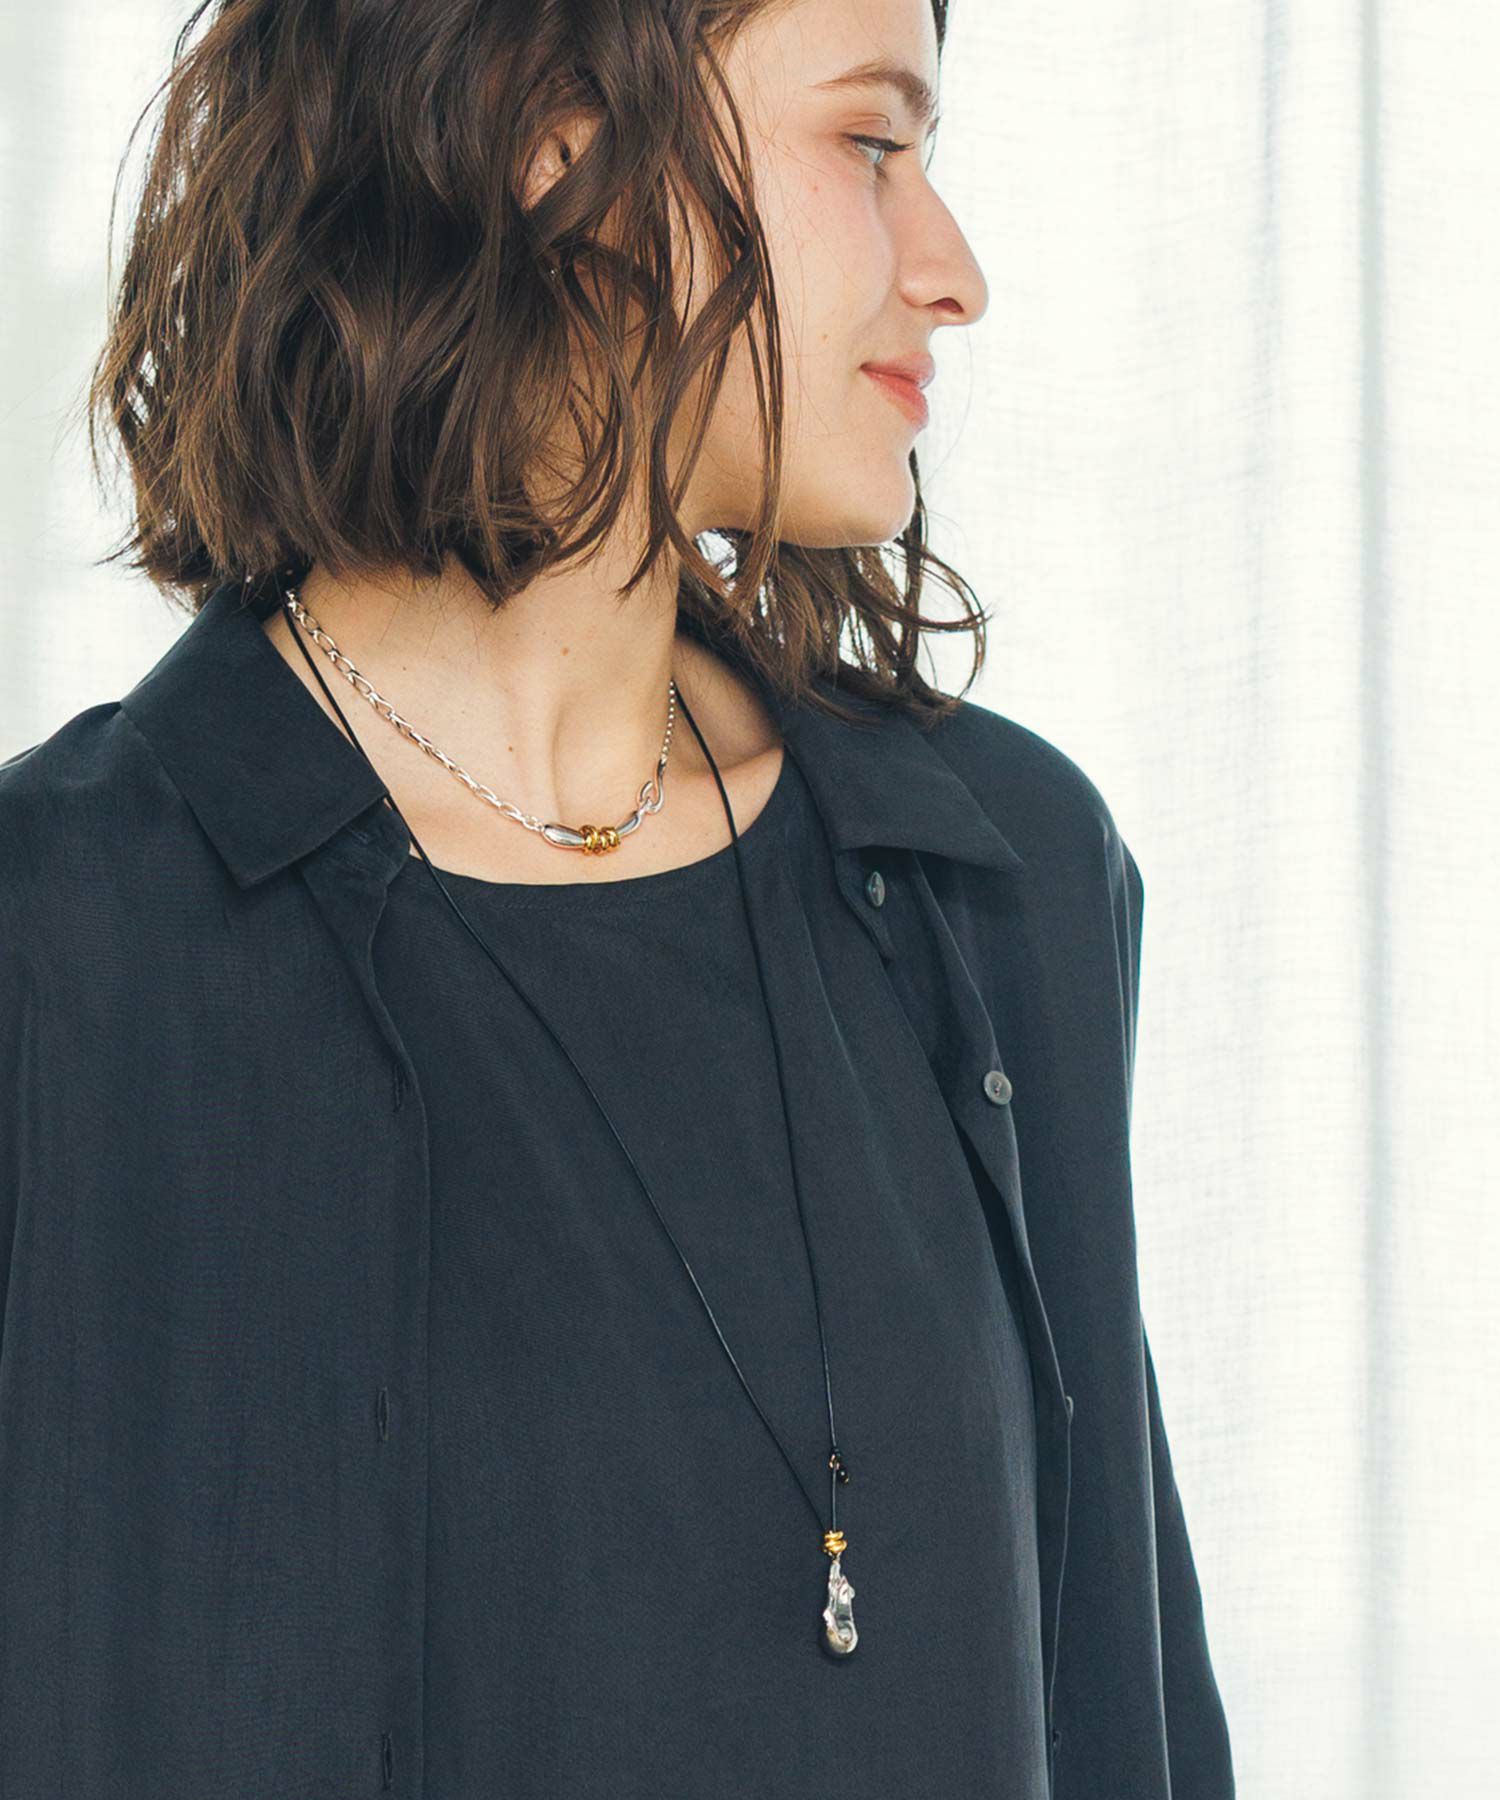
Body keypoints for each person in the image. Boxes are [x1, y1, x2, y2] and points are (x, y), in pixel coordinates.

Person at [0, 0, 1234, 1795]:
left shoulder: (1000, 878)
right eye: (872, 144)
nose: (952, 272)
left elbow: (1121, 1713)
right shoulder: (61, 951)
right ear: (552, 143)